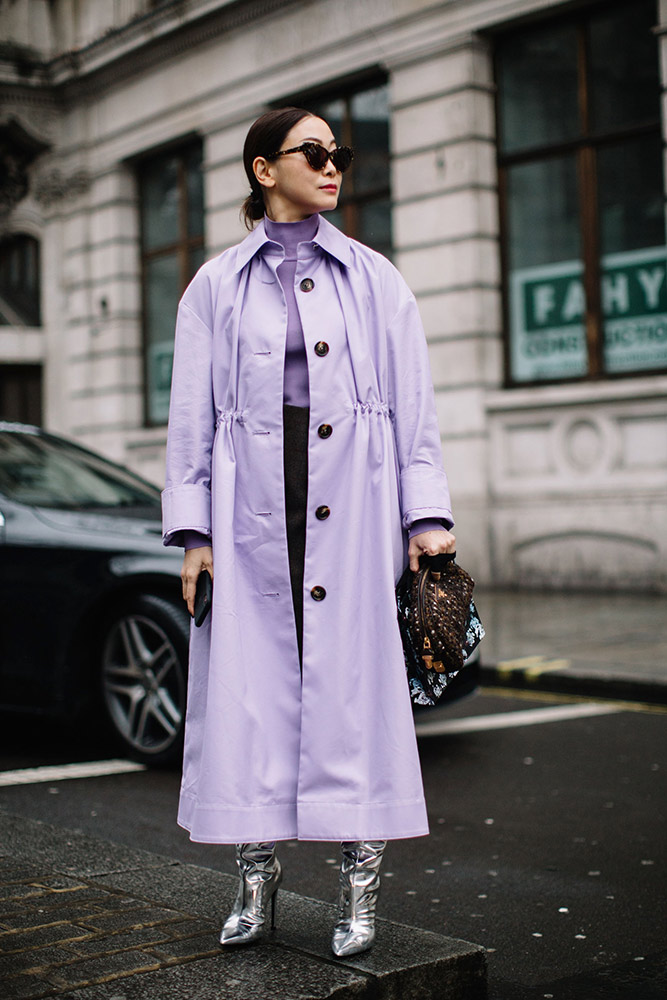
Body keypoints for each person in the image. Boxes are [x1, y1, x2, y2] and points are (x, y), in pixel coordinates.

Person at [161, 106, 456, 958]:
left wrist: (425, 518)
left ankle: (359, 890)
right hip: (250, 507)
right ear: (264, 169)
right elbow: (190, 420)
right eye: (314, 152)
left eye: (341, 154)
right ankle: (255, 884)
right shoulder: (215, 285)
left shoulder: (374, 277)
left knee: (355, 698)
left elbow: (414, 409)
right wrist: (193, 533)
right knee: (248, 697)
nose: (333, 166)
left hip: (354, 505)